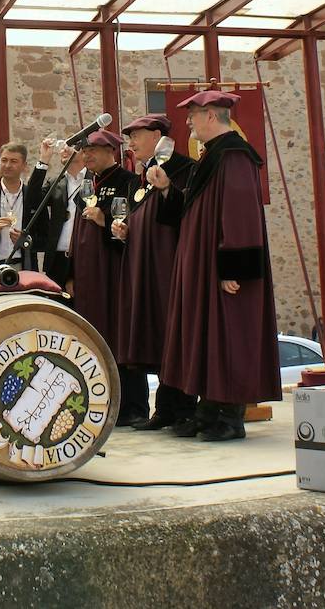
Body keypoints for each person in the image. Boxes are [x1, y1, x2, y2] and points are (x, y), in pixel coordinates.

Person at [153, 90, 280, 442]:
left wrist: (233, 269)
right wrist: (167, 190)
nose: (188, 121)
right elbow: (197, 211)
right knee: (208, 336)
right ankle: (208, 412)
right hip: (205, 267)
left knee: (228, 336)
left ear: (211, 115)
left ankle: (229, 417)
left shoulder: (234, 156)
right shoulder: (213, 157)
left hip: (225, 270)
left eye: (193, 114)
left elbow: (239, 216)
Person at [112, 114, 196, 431]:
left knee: (175, 335)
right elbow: (142, 219)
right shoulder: (138, 179)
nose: (131, 142)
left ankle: (185, 407)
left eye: (137, 135)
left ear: (158, 135)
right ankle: (164, 408)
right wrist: (125, 231)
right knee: (158, 337)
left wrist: (165, 189)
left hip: (170, 267)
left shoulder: (185, 169)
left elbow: (185, 215)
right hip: (144, 268)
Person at [69, 129, 144, 425]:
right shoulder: (87, 184)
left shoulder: (128, 182)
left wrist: (106, 221)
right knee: (92, 339)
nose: (87, 155)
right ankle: (100, 406)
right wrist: (70, 273)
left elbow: (133, 229)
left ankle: (133, 407)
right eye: (84, 151)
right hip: (88, 278)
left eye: (94, 150)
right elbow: (75, 233)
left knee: (120, 336)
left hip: (114, 273)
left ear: (111, 151)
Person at [0, 142, 47, 272]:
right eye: (4, 160)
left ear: (24, 166)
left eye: (14, 161)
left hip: (25, 267)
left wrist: (27, 240)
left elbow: (45, 238)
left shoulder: (35, 197)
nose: (8, 165)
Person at [43, 140, 87, 289]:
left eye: (70, 145)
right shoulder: (55, 182)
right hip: (57, 259)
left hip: (85, 258)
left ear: (83, 151)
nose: (64, 149)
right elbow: (31, 200)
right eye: (62, 147)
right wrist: (43, 161)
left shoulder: (94, 179)